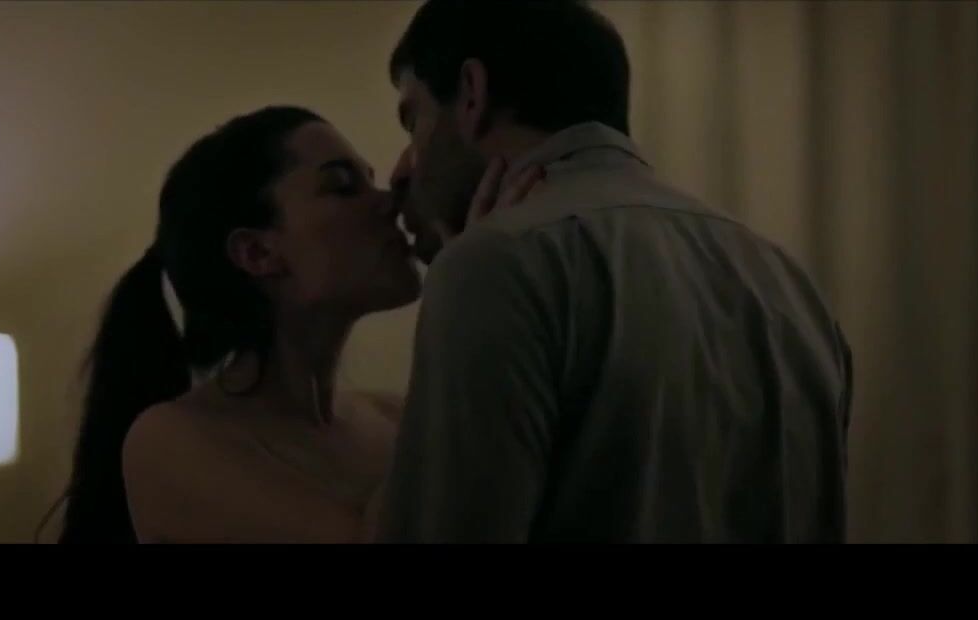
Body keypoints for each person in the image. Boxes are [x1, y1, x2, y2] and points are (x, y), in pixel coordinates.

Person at [372, 0, 854, 543]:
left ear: (471, 93)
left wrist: (472, 273)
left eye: (413, 119)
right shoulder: (787, 282)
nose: (404, 166)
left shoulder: (495, 265)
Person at [48, 105, 537, 544]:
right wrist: (473, 296)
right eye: (342, 185)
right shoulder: (172, 441)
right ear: (257, 252)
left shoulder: (397, 417)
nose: (388, 200)